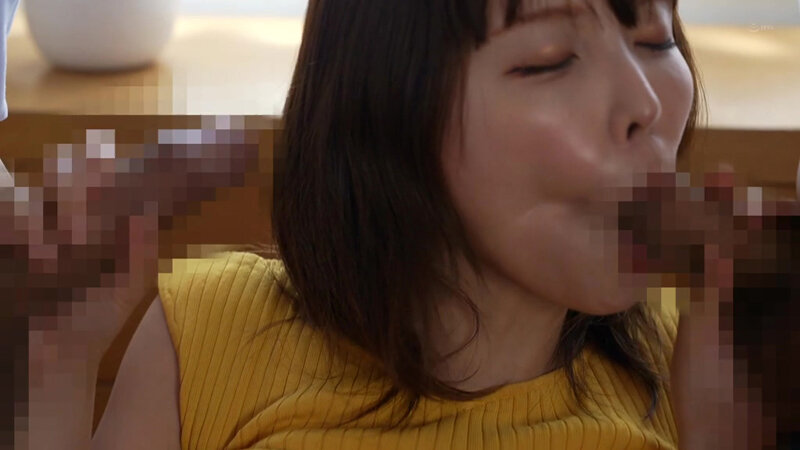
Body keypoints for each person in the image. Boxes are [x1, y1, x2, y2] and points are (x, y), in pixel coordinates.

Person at [9, 0, 797, 448]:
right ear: (386, 111)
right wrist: (53, 368)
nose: (648, 103)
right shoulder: (201, 341)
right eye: (550, 59)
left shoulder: (699, 367)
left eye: (656, 39)